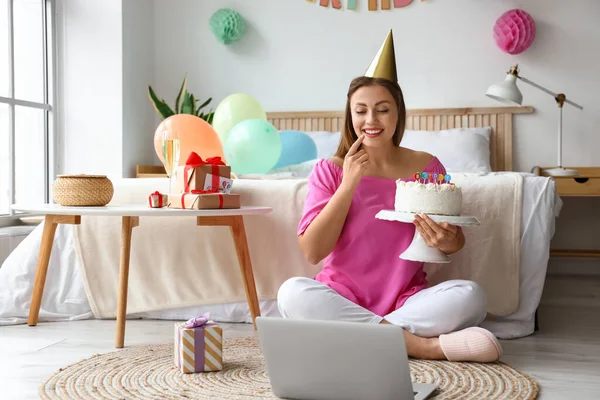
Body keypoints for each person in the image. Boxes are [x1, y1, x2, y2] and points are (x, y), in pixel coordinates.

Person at [276, 31, 503, 363]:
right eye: (361, 111)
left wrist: (447, 239)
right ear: (350, 116)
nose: (371, 120)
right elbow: (312, 251)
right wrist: (349, 183)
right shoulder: (331, 169)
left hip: (406, 301)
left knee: (471, 296)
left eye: (382, 110)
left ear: (398, 114)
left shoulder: (427, 166)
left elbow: (454, 244)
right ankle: (423, 347)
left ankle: (349, 336)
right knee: (292, 294)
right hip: (339, 297)